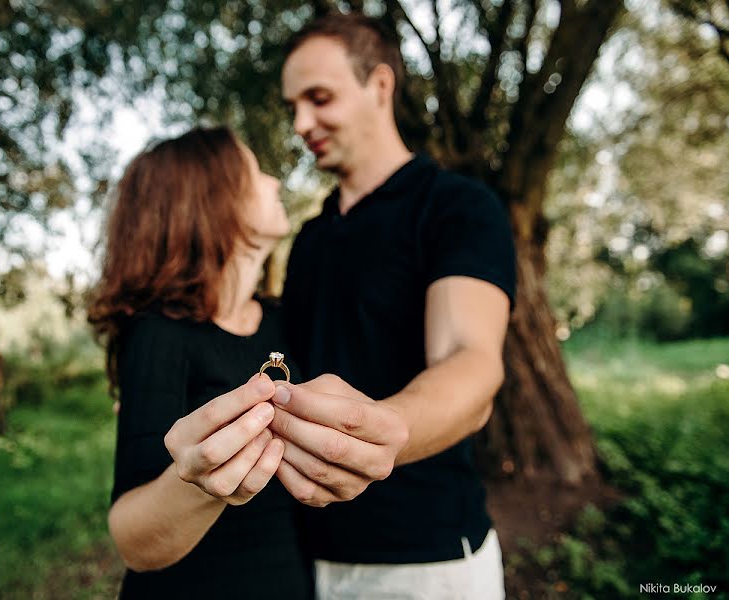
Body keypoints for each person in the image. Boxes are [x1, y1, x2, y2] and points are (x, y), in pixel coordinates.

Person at [268, 12, 517, 599]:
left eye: (319, 97)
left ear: (379, 86)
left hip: (424, 561)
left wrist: (383, 433)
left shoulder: (456, 207)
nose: (302, 123)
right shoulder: (307, 240)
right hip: (304, 558)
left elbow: (470, 358)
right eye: (291, 107)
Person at [87, 126, 313, 599]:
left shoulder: (288, 321)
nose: (274, 181)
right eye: (254, 173)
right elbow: (133, 539)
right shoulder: (158, 334)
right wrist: (202, 483)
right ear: (213, 199)